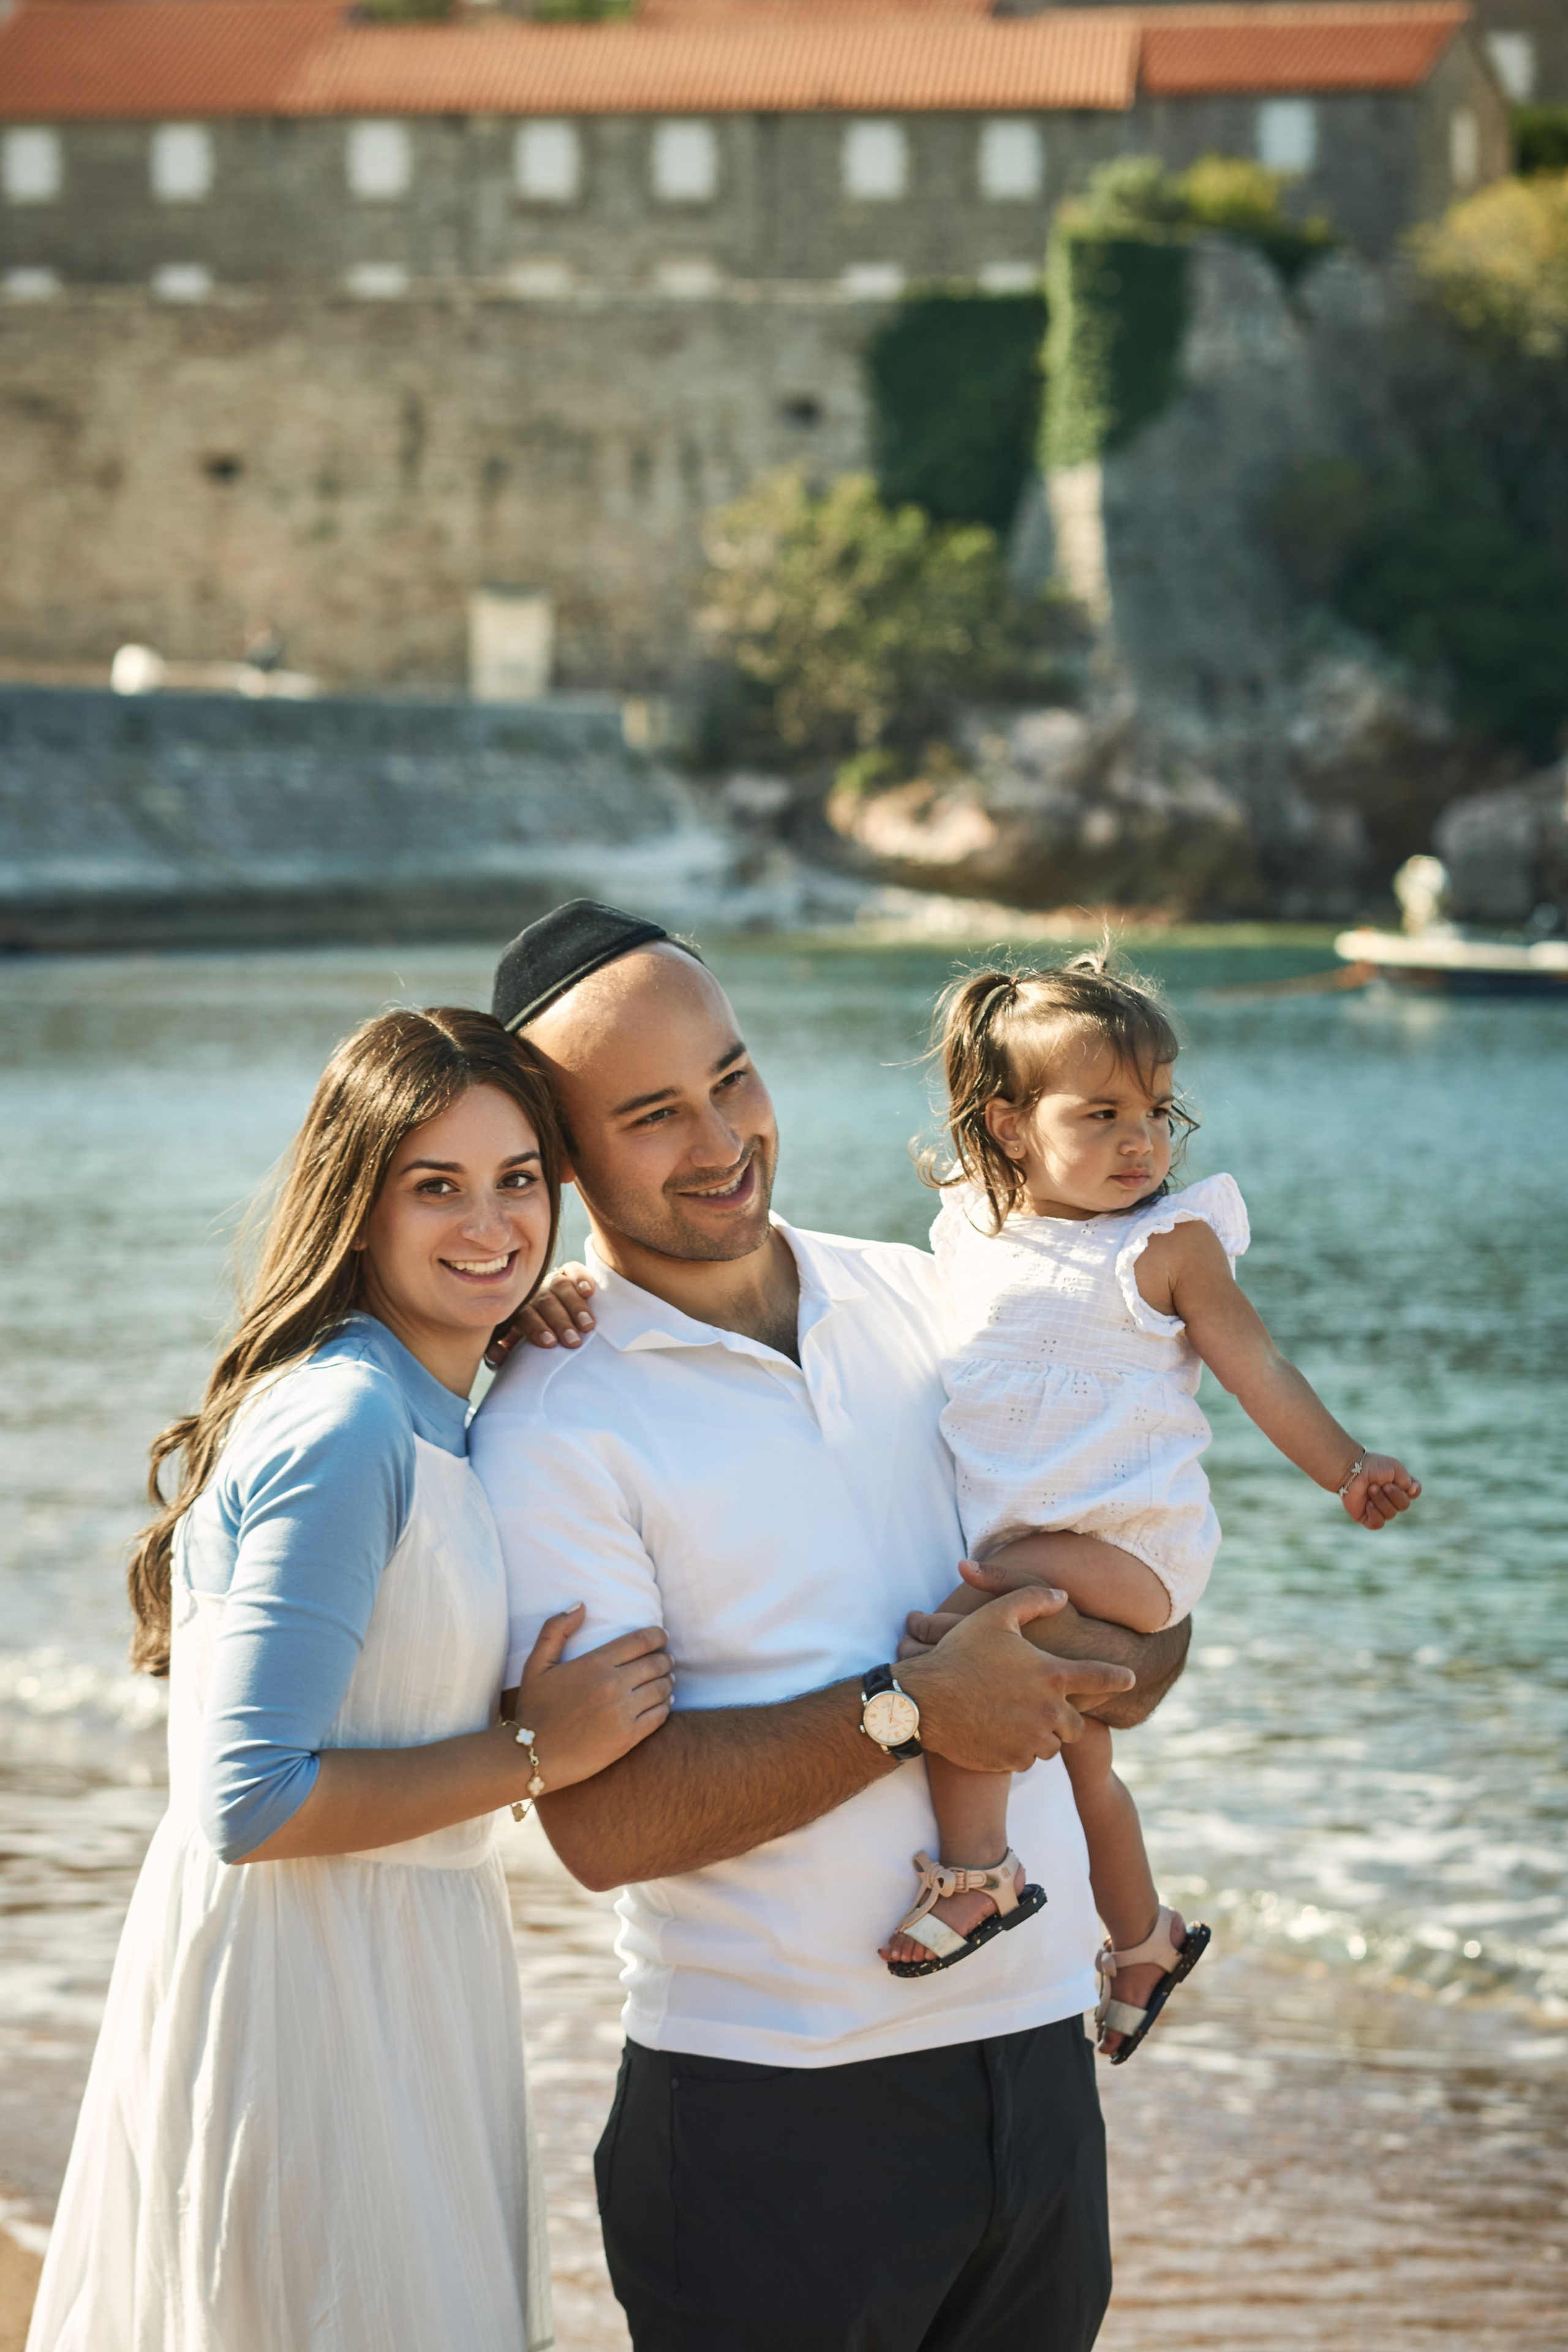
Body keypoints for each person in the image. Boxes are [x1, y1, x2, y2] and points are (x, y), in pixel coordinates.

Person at [472, 900, 1191, 2352]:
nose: (722, 1138)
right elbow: (601, 1831)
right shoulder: (551, 1426)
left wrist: (1093, 1659)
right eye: (654, 1113)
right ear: (561, 1161)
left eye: (732, 1077)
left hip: (1036, 2073)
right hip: (768, 2116)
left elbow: (1150, 1645)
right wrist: (916, 1705)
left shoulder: (938, 1299)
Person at [27, 1006, 673, 2352]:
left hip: (396, 1963)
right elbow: (247, 1802)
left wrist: (515, 1326)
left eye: (517, 1184)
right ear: (358, 1205)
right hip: (311, 1991)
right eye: (435, 1187)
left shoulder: (425, 1396)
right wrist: (538, 1754)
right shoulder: (347, 1421)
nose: (490, 1225)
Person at [880, 956, 1420, 2060]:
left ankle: (981, 1874)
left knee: (953, 1646)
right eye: (1106, 1114)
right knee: (1091, 1775)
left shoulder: (1168, 1246)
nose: (1143, 1141)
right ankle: (1143, 1938)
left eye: (1157, 1111)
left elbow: (1259, 1370)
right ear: (1012, 1124)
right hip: (1046, 1565)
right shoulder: (972, 1234)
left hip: (1134, 1562)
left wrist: (1346, 1467)